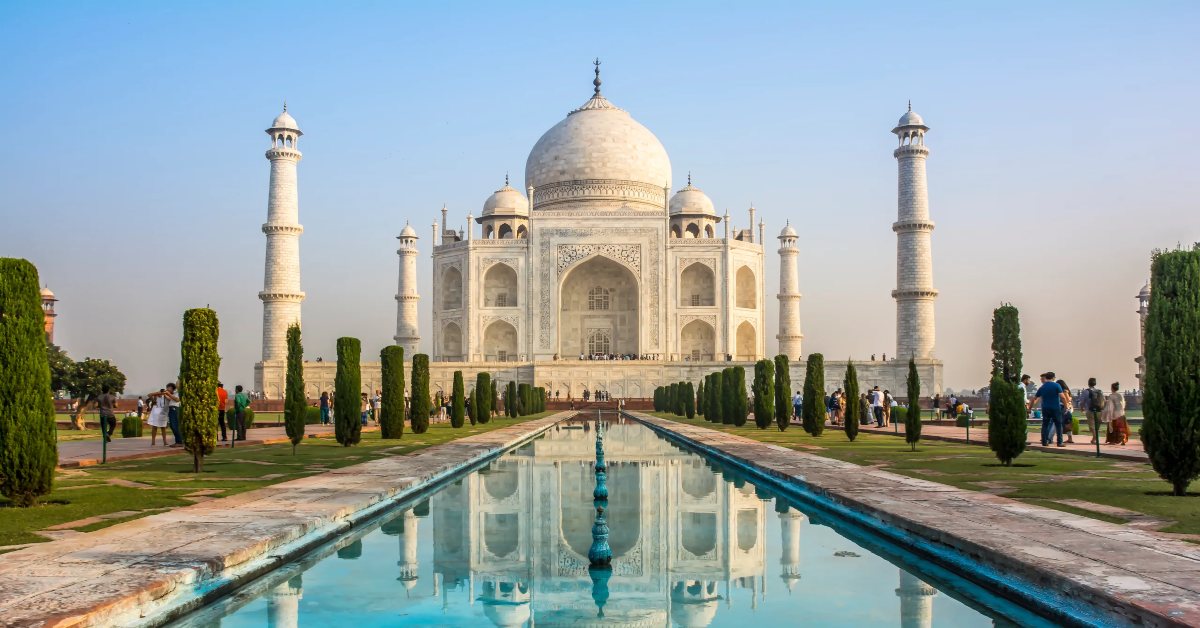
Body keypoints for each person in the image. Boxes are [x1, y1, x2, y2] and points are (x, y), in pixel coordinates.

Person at [1029, 373, 1065, 447]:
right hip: (1055, 407)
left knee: (1045, 425)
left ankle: (1044, 441)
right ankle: (1059, 442)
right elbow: (1062, 397)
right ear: (1053, 378)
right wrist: (1066, 405)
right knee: (1058, 425)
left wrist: (1029, 408)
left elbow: (1034, 398)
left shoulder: (1042, 387)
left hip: (1045, 408)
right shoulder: (1056, 385)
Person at [1083, 377, 1106, 445]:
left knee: (1091, 425)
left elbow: (1082, 401)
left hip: (1090, 410)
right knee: (1097, 425)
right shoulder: (1099, 391)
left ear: (1088, 383)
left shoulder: (1086, 391)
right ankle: (1094, 438)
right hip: (1099, 410)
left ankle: (1095, 437)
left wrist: (1082, 408)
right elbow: (1104, 400)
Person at [164, 383, 182, 447]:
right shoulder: (176, 392)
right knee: (172, 425)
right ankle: (178, 441)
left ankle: (179, 442)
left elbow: (177, 400)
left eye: (178, 383)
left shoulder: (181, 391)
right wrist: (166, 394)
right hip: (172, 409)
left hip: (175, 409)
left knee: (175, 425)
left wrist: (168, 394)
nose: (176, 384)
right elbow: (171, 399)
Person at [1057, 379, 1076, 444]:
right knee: (1067, 423)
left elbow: (1067, 400)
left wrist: (1065, 406)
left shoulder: (1064, 391)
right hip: (1068, 408)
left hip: (1065, 408)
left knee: (1066, 423)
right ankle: (1069, 438)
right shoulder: (1067, 391)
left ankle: (1069, 438)